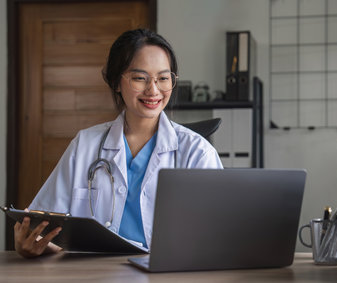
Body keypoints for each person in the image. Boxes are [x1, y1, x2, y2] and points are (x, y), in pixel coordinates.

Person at [14, 29, 223, 258]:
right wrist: (33, 244)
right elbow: (43, 222)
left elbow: (218, 238)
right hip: (94, 274)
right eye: (140, 78)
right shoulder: (85, 145)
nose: (153, 90)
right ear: (116, 81)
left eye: (163, 78)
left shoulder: (198, 153)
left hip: (165, 274)